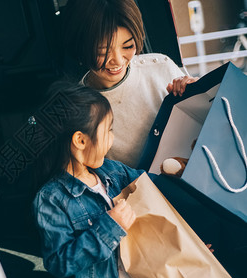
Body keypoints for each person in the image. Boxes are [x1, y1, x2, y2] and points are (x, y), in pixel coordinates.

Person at [33, 83, 147, 278]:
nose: (112, 138)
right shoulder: (50, 199)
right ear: (81, 140)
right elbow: (59, 263)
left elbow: (154, 192)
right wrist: (110, 226)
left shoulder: (114, 171)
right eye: (108, 130)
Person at [62, 0, 198, 168]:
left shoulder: (161, 67)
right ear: (80, 47)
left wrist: (198, 92)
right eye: (102, 52)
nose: (118, 61)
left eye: (128, 46)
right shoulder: (75, 108)